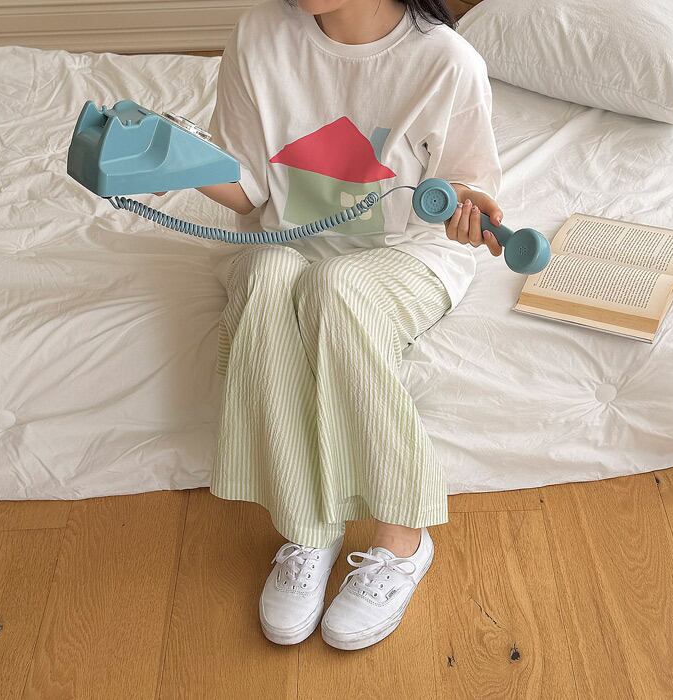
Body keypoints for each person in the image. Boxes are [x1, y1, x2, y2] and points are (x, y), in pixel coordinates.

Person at [193, 0, 503, 650]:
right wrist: (165, 162)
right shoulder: (259, 33)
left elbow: (468, 191)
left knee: (337, 289)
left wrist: (467, 210)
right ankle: (308, 526)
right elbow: (249, 189)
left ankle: (403, 537)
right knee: (266, 279)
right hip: (288, 241)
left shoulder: (446, 63)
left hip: (408, 254)